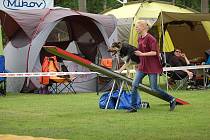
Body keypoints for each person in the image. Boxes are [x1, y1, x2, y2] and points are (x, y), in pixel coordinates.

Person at [127, 20, 176, 113]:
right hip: (142, 66)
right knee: (134, 85)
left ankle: (172, 99)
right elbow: (140, 53)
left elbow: (154, 52)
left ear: (143, 27)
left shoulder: (151, 39)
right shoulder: (139, 38)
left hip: (152, 66)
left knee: (154, 88)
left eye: (137, 27)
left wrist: (142, 54)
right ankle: (133, 107)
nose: (136, 28)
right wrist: (138, 62)